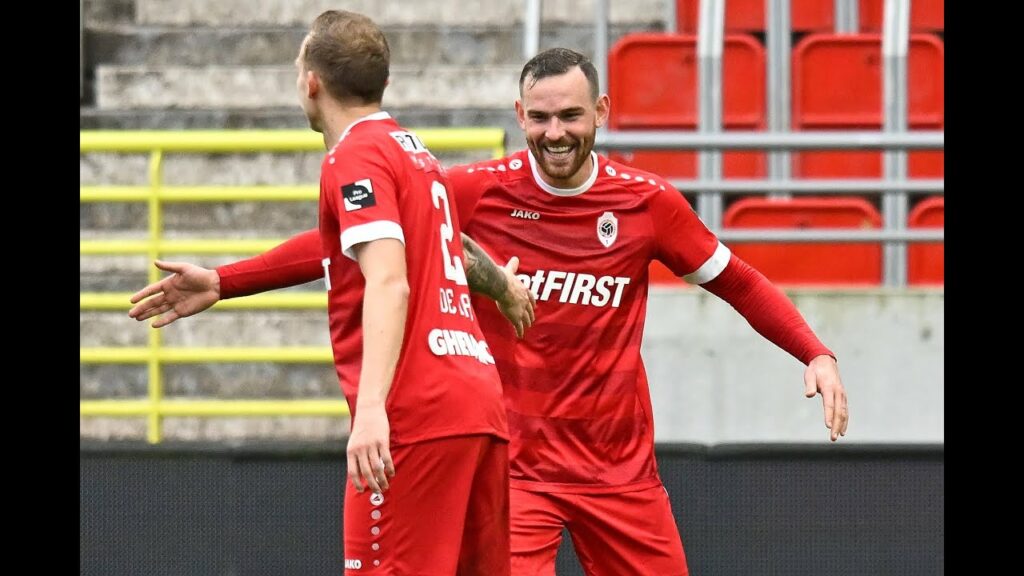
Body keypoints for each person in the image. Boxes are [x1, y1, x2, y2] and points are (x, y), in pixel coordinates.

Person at [131, 48, 848, 576]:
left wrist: (813, 350)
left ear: (601, 113)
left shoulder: (646, 203)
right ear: (519, 117)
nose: (555, 133)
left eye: (571, 115)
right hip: (520, 468)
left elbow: (737, 281)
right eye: (539, 118)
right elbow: (355, 241)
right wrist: (228, 281)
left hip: (620, 472)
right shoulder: (475, 191)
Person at [130, 10, 543, 575]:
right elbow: (438, 248)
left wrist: (372, 409)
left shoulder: (355, 157)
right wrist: (225, 281)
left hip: (413, 416)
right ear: (384, 83)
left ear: (311, 82)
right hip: (477, 406)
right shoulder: (413, 153)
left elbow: (390, 280)